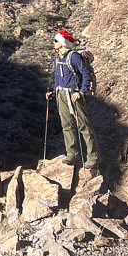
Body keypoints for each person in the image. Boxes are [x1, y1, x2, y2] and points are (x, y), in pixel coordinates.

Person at [45, 29, 100, 169]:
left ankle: (93, 157)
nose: (54, 43)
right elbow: (58, 77)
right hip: (60, 94)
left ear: (62, 43)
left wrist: (81, 92)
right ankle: (72, 154)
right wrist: (52, 91)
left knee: (84, 125)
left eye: (56, 40)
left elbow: (85, 74)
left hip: (74, 94)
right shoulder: (57, 57)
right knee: (66, 125)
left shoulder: (74, 56)